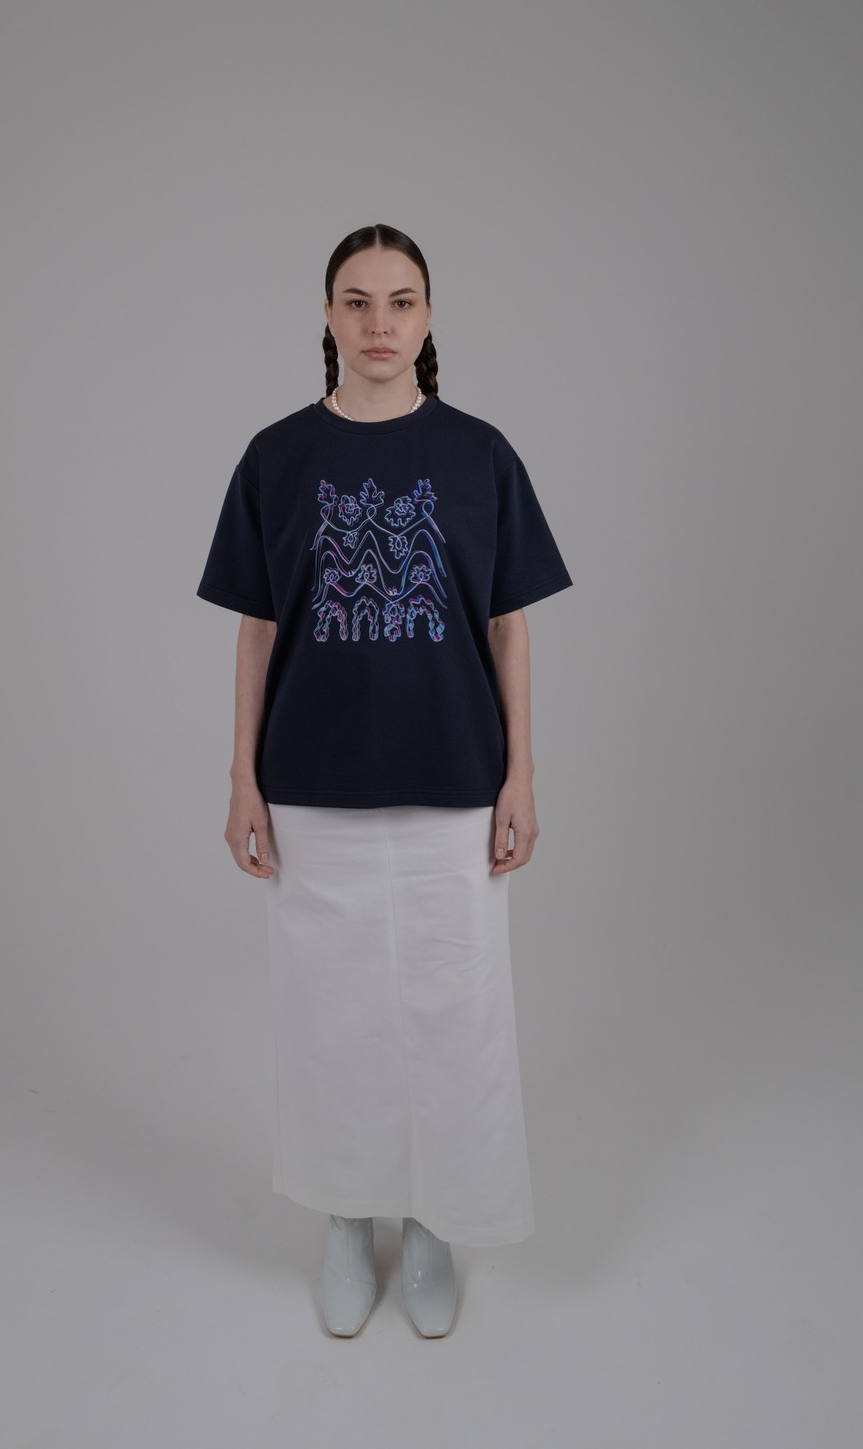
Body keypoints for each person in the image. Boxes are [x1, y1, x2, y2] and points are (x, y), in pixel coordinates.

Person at [196, 223, 572, 1337]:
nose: (378, 323)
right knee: (332, 1018)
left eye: (400, 301)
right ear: (327, 316)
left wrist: (521, 774)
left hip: (456, 778)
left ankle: (438, 1219)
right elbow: (257, 630)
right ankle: (347, 1217)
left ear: (428, 317)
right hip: (313, 783)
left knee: (457, 1013)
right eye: (356, 302)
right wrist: (241, 777)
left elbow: (507, 626)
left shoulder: (479, 454)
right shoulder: (275, 457)